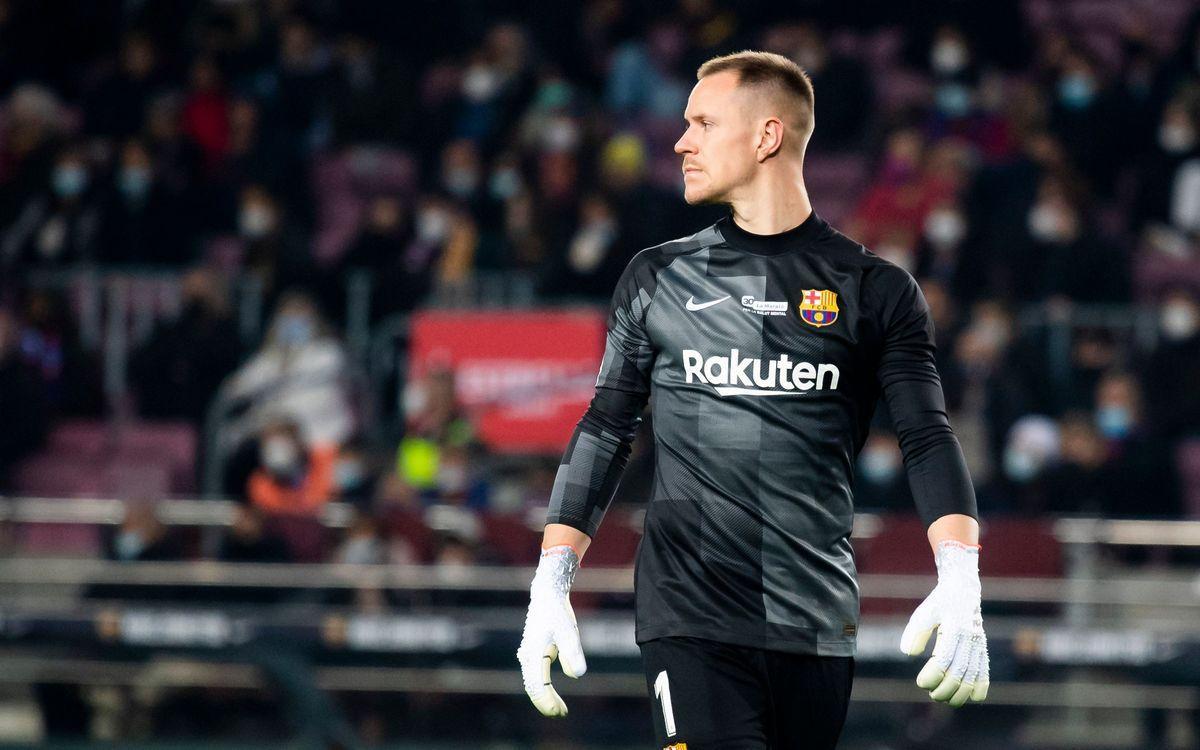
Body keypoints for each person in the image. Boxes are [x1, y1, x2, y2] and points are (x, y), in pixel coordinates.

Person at [517, 51, 989, 749]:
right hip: (691, 618)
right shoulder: (659, 277)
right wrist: (550, 581)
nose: (681, 141)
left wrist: (961, 574)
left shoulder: (874, 290)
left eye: (703, 123)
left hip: (817, 623)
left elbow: (926, 435)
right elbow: (606, 428)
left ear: (766, 136)